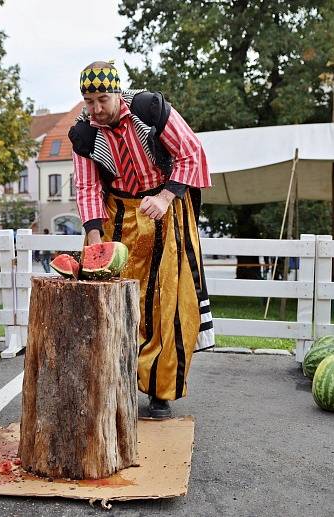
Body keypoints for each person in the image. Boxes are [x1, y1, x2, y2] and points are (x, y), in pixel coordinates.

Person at [69, 60, 214, 419]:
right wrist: (93, 235)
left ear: (117, 92)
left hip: (166, 208)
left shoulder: (150, 110)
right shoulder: (84, 134)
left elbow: (191, 152)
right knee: (116, 299)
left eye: (103, 98)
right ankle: (116, 384)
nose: (96, 108)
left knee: (166, 301)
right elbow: (87, 186)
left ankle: (160, 392)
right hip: (118, 214)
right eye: (89, 101)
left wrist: (165, 197)